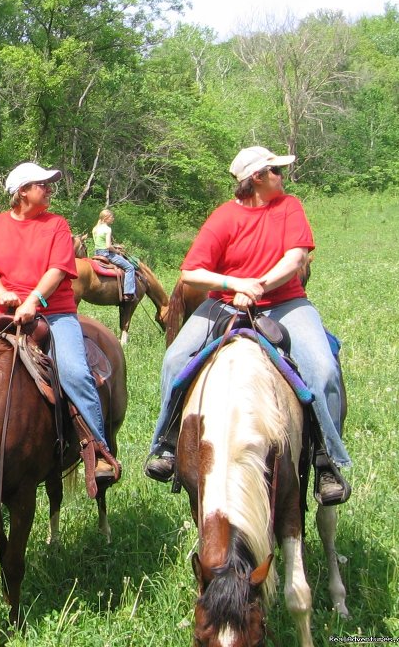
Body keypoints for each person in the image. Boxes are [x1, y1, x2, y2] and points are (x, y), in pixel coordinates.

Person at [144, 146, 351, 506]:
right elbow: (191, 272)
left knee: (323, 367)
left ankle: (327, 461)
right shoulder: (224, 218)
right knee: (176, 359)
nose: (282, 177)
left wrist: (259, 286)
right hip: (224, 304)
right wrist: (234, 284)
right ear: (256, 178)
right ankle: (168, 444)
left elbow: (296, 257)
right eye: (275, 171)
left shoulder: (289, 207)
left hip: (286, 302)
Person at [0, 161, 118, 488]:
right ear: (22, 191)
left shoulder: (57, 225)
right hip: (2, 313)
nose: (49, 189)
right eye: (43, 184)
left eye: (49, 184)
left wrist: (33, 301)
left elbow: (58, 269)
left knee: (75, 372)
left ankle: (97, 447)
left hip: (54, 313)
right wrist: (1, 292)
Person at [91, 208, 136, 301]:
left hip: (97, 253)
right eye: (111, 217)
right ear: (106, 218)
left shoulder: (95, 228)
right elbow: (107, 246)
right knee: (130, 268)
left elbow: (101, 243)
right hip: (107, 254)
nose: (113, 219)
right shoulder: (107, 229)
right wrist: (117, 251)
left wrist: (115, 246)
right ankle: (128, 293)